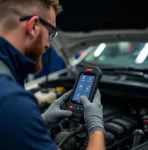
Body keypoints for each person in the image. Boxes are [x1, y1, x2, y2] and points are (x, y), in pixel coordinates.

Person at [0, 0, 105, 150]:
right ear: (33, 26)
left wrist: (38, 122)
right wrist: (96, 128)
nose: (48, 45)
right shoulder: (11, 100)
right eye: (50, 33)